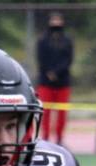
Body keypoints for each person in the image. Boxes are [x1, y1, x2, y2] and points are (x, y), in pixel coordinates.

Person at [36, 12, 73, 145]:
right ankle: (45, 138)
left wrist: (57, 72)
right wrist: (49, 72)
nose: (56, 23)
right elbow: (41, 59)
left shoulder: (67, 40)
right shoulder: (42, 40)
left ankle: (59, 139)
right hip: (46, 81)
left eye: (58, 20)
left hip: (63, 81)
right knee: (45, 112)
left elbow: (68, 59)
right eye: (53, 20)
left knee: (62, 113)